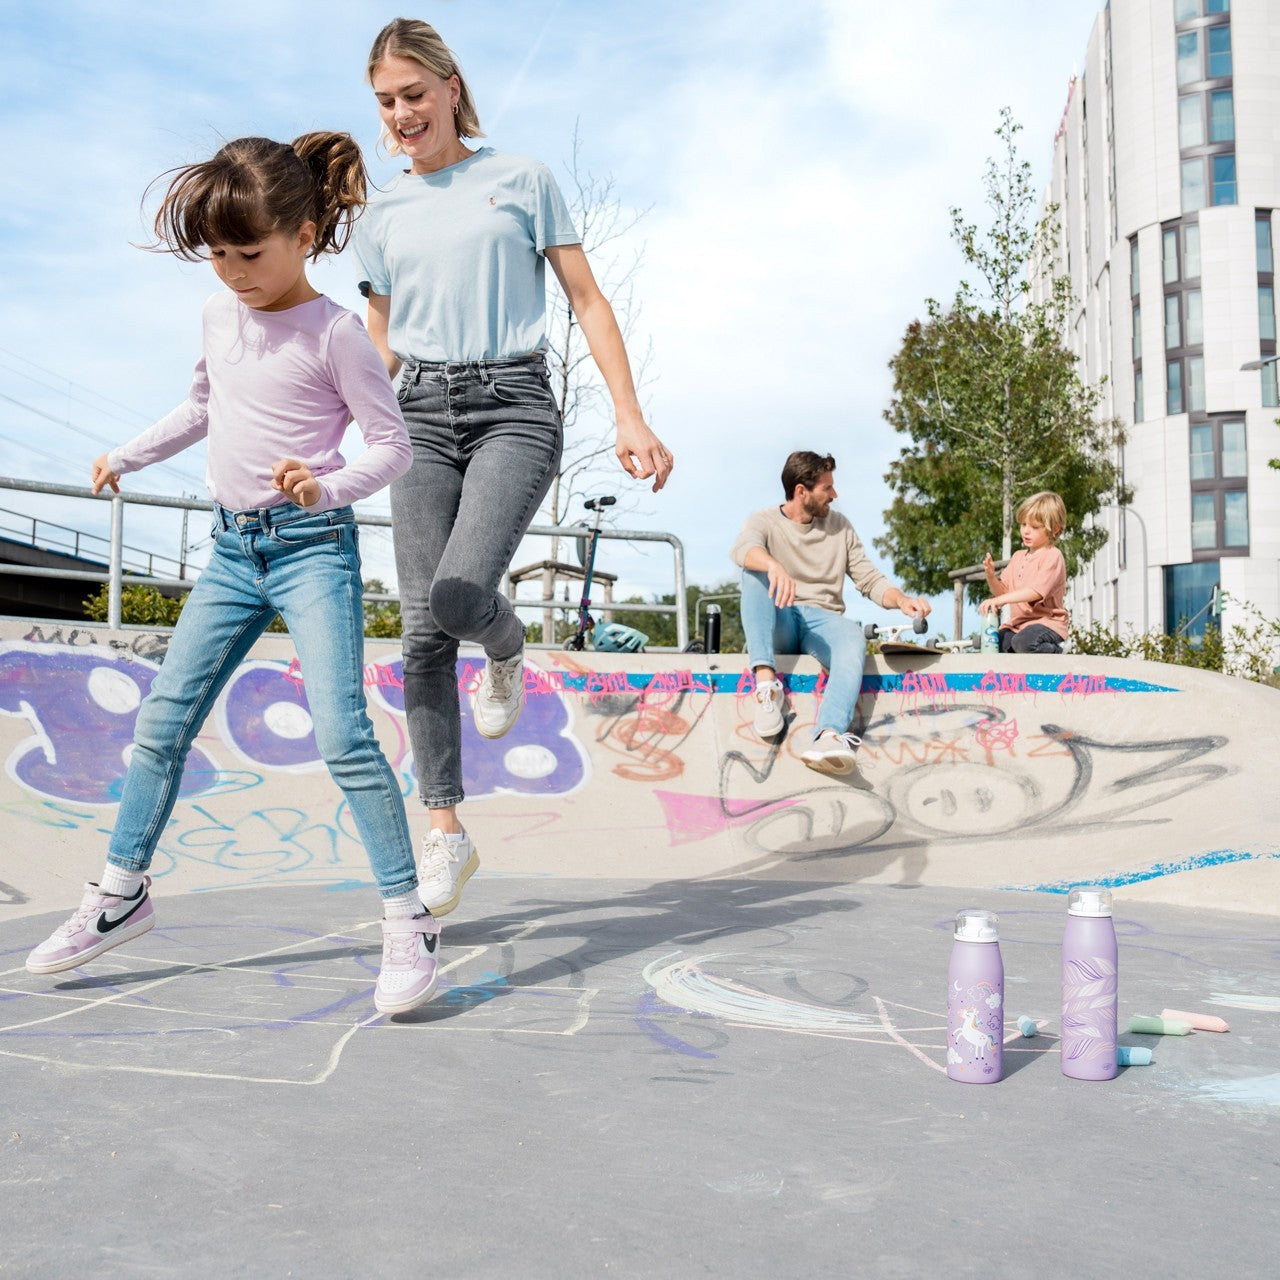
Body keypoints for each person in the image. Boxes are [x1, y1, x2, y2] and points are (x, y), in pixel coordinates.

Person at [24, 133, 440, 1017]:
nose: (234, 274)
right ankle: (120, 893)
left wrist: (326, 486)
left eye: (249, 253)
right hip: (229, 553)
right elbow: (205, 405)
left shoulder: (337, 335)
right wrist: (126, 455)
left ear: (305, 233)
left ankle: (409, 918)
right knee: (161, 723)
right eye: (217, 255)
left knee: (344, 737)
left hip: (310, 548)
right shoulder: (220, 316)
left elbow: (393, 445)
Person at [354, 18, 674, 917]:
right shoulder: (381, 215)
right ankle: (446, 832)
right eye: (386, 100)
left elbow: (587, 299)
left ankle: (505, 647)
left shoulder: (522, 178)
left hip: (514, 406)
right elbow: (379, 342)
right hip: (418, 412)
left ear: (450, 88)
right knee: (421, 633)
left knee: (460, 597)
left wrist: (629, 414)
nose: (402, 114)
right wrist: (342, 434)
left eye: (415, 94)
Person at [731, 451, 931, 775]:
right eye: (827, 488)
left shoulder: (839, 526)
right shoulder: (764, 520)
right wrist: (773, 565)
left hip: (823, 621)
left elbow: (868, 578)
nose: (834, 495)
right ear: (801, 492)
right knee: (753, 571)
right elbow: (742, 549)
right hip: (781, 616)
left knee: (852, 635)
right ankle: (766, 687)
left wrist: (901, 600)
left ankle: (828, 735)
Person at [980, 491, 1070, 653]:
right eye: (1023, 524)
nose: (1026, 531)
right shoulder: (1018, 557)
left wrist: (999, 600)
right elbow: (1002, 592)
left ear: (1055, 529)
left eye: (1034, 527)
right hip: (1019, 624)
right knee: (998, 642)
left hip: (1047, 623)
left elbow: (1035, 592)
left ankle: (1058, 651)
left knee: (1024, 642)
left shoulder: (1052, 556)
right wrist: (991, 576)